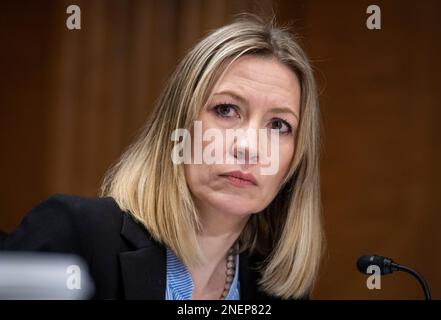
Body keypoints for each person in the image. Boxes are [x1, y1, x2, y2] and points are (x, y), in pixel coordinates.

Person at [1, 14, 323, 300]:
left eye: (279, 125)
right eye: (226, 110)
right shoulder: (74, 234)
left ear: (295, 162)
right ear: (176, 128)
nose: (250, 147)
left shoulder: (272, 290)